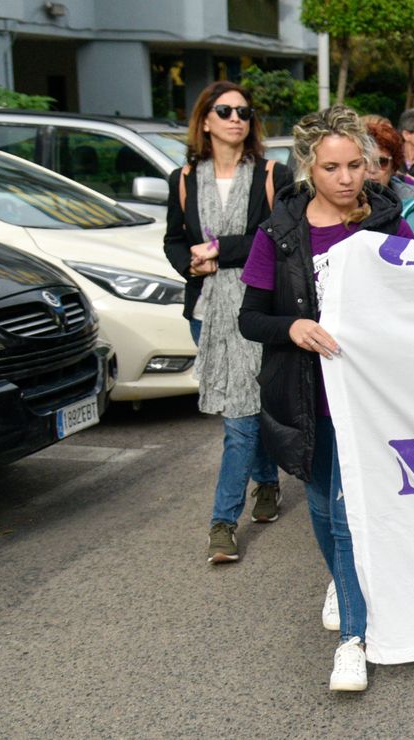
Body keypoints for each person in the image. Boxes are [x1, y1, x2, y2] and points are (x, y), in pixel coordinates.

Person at [237, 106, 414, 693]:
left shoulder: (390, 226)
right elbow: (250, 318)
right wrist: (292, 329)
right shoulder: (279, 233)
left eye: (356, 165)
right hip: (302, 393)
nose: (346, 178)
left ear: (369, 165)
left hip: (367, 397)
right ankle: (342, 582)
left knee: (345, 514)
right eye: (332, 167)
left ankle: (354, 642)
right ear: (309, 168)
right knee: (318, 502)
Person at [164, 81, 290, 565]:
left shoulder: (272, 174)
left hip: (257, 308)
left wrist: (222, 251)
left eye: (244, 111)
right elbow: (175, 240)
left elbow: (277, 234)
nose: (237, 117)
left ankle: (221, 523)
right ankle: (268, 483)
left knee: (240, 420)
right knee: (244, 409)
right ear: (206, 120)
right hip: (206, 313)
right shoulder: (183, 179)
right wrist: (190, 264)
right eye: (225, 110)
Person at [366, 117, 414, 241]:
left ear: (394, 167)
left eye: (381, 162)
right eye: (365, 161)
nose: (372, 169)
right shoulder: (342, 204)